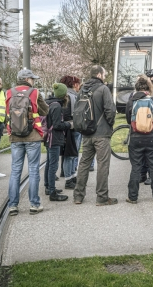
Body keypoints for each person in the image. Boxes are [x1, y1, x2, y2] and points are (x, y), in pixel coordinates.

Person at [6, 69, 49, 216]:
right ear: (27, 79)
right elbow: (45, 111)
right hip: (32, 136)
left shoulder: (8, 92)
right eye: (32, 79)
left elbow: (7, 113)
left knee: (15, 170)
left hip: (15, 136)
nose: (34, 81)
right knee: (33, 170)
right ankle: (34, 204)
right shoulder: (35, 93)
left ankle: (12, 206)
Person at [73, 65, 117, 206]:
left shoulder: (82, 90)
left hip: (87, 133)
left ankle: (78, 196)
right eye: (104, 74)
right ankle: (102, 197)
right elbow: (110, 110)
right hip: (101, 133)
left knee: (84, 164)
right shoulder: (103, 89)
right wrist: (109, 125)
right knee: (103, 164)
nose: (104, 76)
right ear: (99, 75)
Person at [125, 76, 153, 204]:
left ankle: (133, 197)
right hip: (152, 137)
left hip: (136, 138)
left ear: (136, 87)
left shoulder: (131, 101)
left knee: (136, 167)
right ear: (149, 87)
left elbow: (128, 120)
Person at [44, 83, 70, 201]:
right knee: (53, 165)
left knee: (49, 163)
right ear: (63, 94)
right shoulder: (57, 106)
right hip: (54, 138)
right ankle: (52, 192)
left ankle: (48, 187)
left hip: (48, 137)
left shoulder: (49, 103)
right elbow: (57, 125)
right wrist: (68, 124)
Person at [59, 75, 81, 189]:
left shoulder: (68, 95)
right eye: (78, 84)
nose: (79, 86)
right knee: (71, 155)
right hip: (73, 128)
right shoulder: (71, 96)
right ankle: (69, 179)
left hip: (71, 128)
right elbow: (69, 114)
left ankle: (72, 176)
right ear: (74, 84)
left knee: (72, 154)